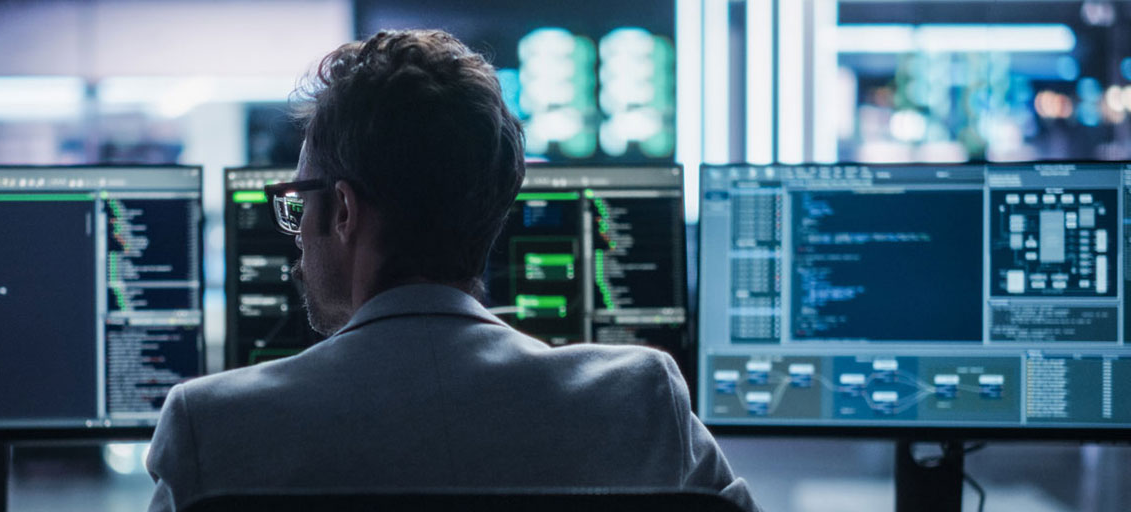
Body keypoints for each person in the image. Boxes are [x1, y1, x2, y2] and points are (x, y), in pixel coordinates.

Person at [145, 29, 757, 512]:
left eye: (302, 200)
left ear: (345, 212)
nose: (298, 231)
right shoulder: (641, 401)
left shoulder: (211, 426)